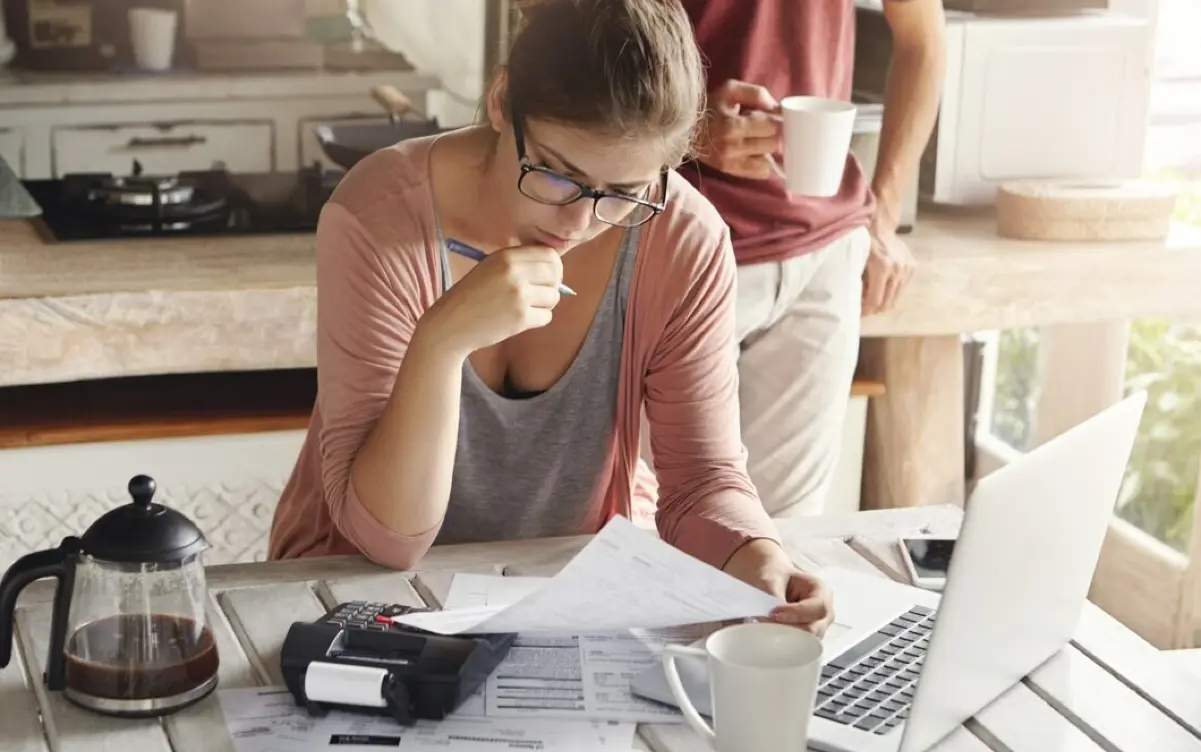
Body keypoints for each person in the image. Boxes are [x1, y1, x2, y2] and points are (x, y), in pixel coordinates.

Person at [268, 0, 833, 635]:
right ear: (503, 100)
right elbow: (388, 539)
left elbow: (701, 479)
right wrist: (441, 341)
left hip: (570, 593)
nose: (579, 222)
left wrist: (759, 561)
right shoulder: (377, 216)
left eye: (623, 194)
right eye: (558, 175)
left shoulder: (681, 240)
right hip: (353, 592)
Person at [677, 0, 947, 518]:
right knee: (656, 529)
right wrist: (683, 124)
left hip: (823, 258)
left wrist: (882, 217)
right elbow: (571, 41)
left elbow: (922, 37)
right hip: (677, 246)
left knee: (788, 548)